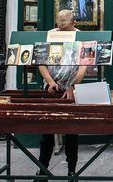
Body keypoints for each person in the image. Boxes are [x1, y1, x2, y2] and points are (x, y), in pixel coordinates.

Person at [37, 9, 87, 178]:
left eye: (65, 29)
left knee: (71, 132)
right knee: (47, 132)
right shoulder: (51, 34)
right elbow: (41, 62)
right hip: (51, 87)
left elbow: (84, 66)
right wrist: (50, 81)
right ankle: (42, 170)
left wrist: (73, 86)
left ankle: (71, 171)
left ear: (74, 23)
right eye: (59, 27)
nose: (62, 32)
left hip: (72, 88)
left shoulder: (81, 37)